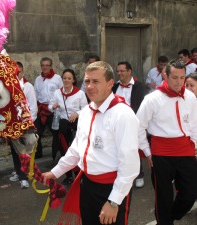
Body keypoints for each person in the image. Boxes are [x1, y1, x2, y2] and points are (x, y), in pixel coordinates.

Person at [43, 61, 140, 225]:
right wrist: (55, 172)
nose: (89, 86)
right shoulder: (86, 112)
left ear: (110, 84)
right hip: (87, 185)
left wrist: (114, 202)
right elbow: (76, 150)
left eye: (96, 81)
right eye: (87, 81)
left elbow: (129, 166)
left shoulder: (123, 114)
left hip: (111, 189)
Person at [136, 59, 197, 225]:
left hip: (185, 150)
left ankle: (170, 217)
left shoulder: (190, 97)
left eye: (182, 78)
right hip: (161, 152)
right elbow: (139, 127)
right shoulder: (152, 99)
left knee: (190, 193)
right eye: (175, 77)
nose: (179, 82)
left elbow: (194, 124)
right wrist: (148, 153)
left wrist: (195, 146)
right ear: (165, 76)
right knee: (163, 198)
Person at [48, 68, 88, 185]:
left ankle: (79, 175)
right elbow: (50, 106)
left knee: (77, 151)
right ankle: (68, 175)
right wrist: (53, 107)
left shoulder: (80, 93)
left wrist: (77, 113)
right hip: (62, 126)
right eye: (64, 78)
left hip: (75, 127)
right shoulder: (57, 93)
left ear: (73, 80)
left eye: (69, 78)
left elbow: (86, 109)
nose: (66, 80)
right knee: (64, 151)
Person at [112, 61, 147, 188]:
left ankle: (139, 175)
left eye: (122, 71)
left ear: (129, 71)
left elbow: (138, 106)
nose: (119, 73)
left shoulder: (138, 86)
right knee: (118, 149)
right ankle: (122, 174)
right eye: (118, 71)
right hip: (116, 123)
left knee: (134, 149)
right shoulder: (115, 86)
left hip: (132, 122)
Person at [9, 61, 38, 189]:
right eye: (14, 71)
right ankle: (20, 174)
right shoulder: (8, 86)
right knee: (15, 151)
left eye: (19, 71)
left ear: (23, 72)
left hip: (26, 125)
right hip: (12, 125)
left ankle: (25, 175)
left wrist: (28, 124)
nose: (17, 74)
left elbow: (33, 107)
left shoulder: (28, 87)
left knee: (26, 150)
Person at [34, 57, 63, 159]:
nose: (45, 67)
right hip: (41, 109)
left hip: (53, 110)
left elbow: (61, 92)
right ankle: (37, 154)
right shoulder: (38, 79)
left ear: (51, 66)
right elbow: (36, 94)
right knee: (36, 133)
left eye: (47, 65)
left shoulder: (57, 78)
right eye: (43, 65)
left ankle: (56, 154)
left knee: (55, 133)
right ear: (41, 66)